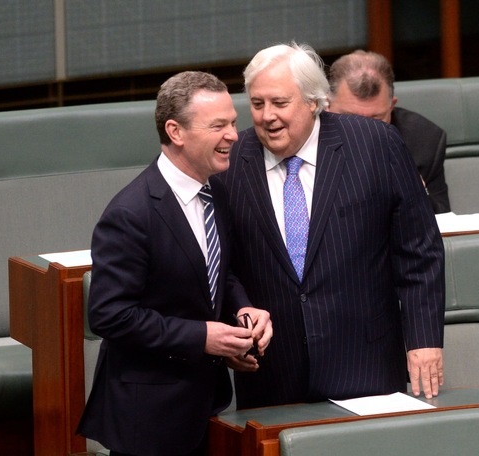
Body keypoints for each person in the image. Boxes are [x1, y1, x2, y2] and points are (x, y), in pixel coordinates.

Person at [219, 42, 445, 410]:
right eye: (257, 104)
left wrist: (423, 341)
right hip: (272, 371)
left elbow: (419, 250)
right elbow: (221, 266)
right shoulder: (230, 165)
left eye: (279, 103)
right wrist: (236, 324)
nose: (267, 116)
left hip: (365, 363)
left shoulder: (376, 145)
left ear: (313, 101)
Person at [77, 71, 273, 456]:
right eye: (218, 126)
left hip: (205, 405)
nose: (233, 135)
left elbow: (218, 270)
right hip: (149, 417)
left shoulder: (216, 190)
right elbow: (110, 315)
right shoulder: (131, 213)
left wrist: (242, 308)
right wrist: (203, 337)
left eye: (233, 123)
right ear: (176, 131)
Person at [328, 50, 451, 214]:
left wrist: (418, 195)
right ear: (327, 105)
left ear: (391, 106)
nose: (363, 131)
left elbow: (443, 218)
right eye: (350, 118)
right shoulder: (305, 136)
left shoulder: (424, 139)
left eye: (376, 119)